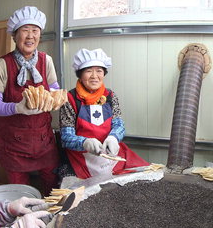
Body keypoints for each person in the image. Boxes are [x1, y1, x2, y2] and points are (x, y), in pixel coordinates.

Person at [0, 6, 60, 196]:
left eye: (35, 31)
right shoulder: (2, 65)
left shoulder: (47, 61)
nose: (30, 36)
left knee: (51, 187)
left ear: (40, 35)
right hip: (13, 146)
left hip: (44, 141)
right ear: (15, 35)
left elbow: (55, 90)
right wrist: (18, 107)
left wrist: (55, 100)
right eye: (24, 30)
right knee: (21, 193)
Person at [59, 48, 148, 179]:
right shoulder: (69, 99)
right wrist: (84, 142)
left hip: (112, 155)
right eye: (88, 71)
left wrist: (113, 138)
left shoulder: (110, 96)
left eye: (99, 71)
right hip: (82, 158)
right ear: (80, 74)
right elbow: (66, 137)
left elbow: (119, 124)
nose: (94, 76)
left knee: (143, 175)